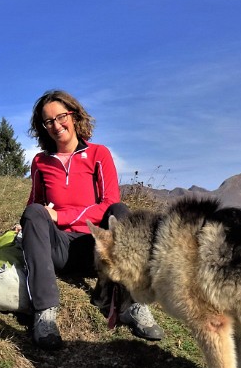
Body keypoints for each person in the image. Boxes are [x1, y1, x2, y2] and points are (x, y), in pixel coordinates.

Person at [14, 90, 163, 350]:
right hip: (59, 249)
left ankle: (132, 304)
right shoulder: (40, 161)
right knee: (33, 213)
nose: (56, 125)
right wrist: (28, 222)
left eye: (61, 117)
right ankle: (45, 314)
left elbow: (107, 203)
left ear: (73, 115)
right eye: (48, 121)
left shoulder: (98, 154)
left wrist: (61, 215)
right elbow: (35, 201)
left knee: (119, 209)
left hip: (97, 249)